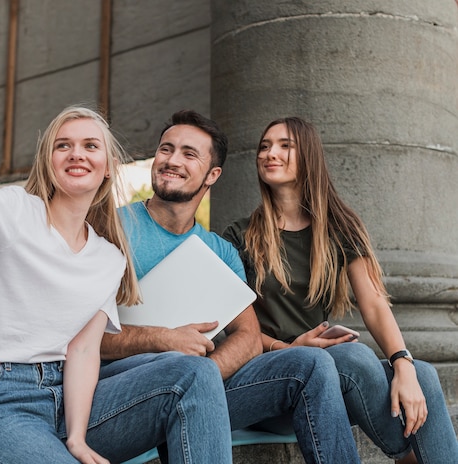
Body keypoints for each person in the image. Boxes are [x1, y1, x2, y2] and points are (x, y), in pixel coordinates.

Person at [0, 19, 234, 464]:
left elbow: (83, 350)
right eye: (63, 145)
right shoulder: (13, 211)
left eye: (90, 145)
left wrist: (79, 438)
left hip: (66, 402)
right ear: (49, 162)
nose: (77, 153)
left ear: (108, 167)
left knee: (193, 373)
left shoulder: (108, 256)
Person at [102, 110, 362, 464]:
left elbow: (249, 337)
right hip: (122, 389)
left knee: (311, 362)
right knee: (189, 372)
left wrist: (207, 375)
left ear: (212, 175)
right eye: (166, 149)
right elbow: (75, 336)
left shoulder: (219, 251)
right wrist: (163, 338)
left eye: (189, 154)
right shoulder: (110, 228)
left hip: (200, 382)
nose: (172, 161)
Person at [223, 116, 458, 464]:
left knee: (421, 372)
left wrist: (403, 363)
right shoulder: (240, 235)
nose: (270, 153)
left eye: (285, 145)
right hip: (269, 376)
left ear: (309, 157)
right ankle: (406, 455)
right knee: (351, 356)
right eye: (265, 146)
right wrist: (287, 347)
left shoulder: (339, 228)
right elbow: (232, 325)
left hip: (326, 385)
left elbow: (375, 304)